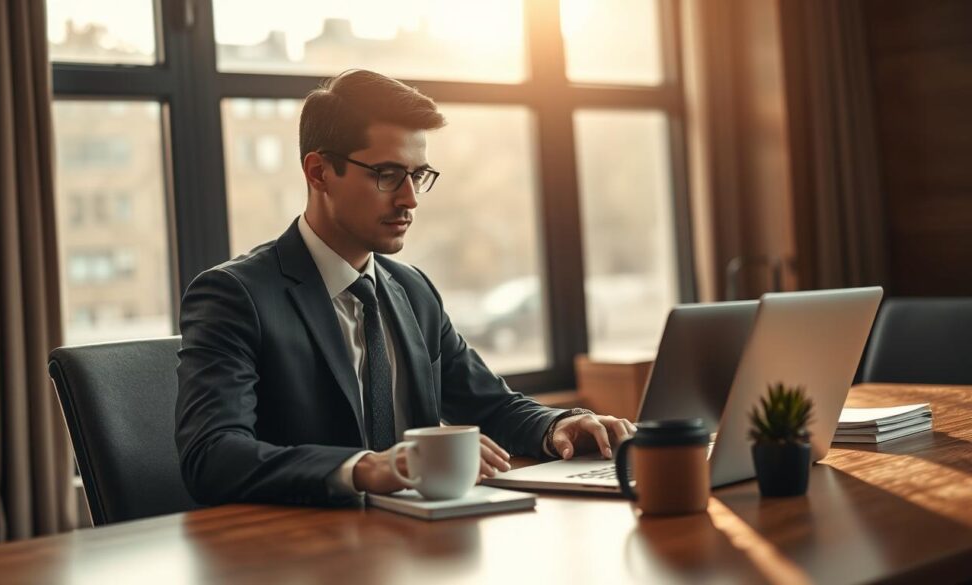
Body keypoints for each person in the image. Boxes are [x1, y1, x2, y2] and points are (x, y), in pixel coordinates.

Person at [175, 69, 634, 507]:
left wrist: (558, 423)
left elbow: (488, 404)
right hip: (302, 552)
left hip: (417, 540)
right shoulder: (234, 296)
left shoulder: (412, 289)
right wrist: (363, 468)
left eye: (417, 176)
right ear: (318, 173)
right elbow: (212, 455)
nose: (410, 198)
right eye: (387, 175)